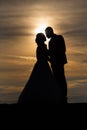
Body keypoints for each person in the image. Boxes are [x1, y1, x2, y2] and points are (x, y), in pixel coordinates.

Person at [17, 33, 61, 104]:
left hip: (40, 64)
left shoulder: (39, 47)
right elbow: (46, 56)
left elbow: (43, 56)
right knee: (45, 80)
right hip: (43, 65)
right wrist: (51, 59)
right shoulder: (42, 47)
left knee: (37, 80)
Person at [45, 26, 68, 103]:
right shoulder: (50, 42)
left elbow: (63, 49)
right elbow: (51, 53)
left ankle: (64, 95)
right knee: (56, 79)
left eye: (46, 33)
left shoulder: (59, 37)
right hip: (54, 63)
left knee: (61, 78)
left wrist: (54, 57)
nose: (46, 35)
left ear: (50, 32)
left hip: (59, 62)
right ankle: (59, 95)